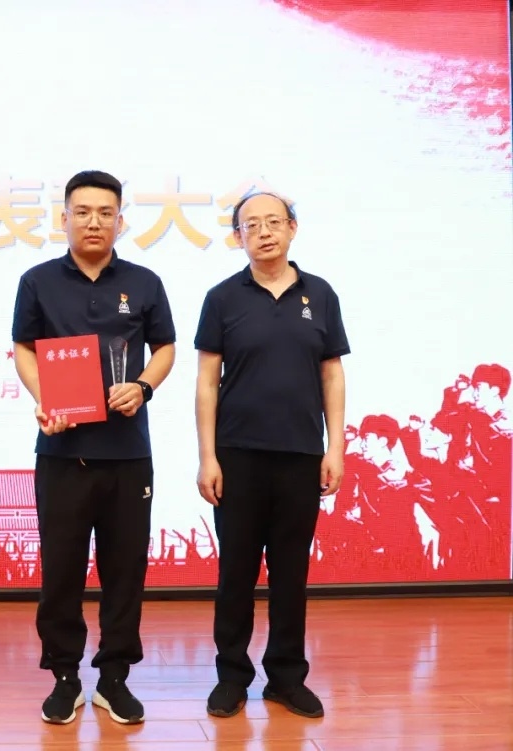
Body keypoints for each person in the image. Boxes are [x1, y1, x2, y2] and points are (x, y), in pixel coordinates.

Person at [10, 170, 177, 725]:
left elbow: (165, 348)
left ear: (121, 221)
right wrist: (43, 398)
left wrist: (143, 386)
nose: (94, 222)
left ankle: (114, 678)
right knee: (61, 570)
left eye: (106, 212)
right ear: (64, 218)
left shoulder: (145, 282)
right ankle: (64, 676)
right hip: (62, 451)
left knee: (124, 570)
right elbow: (24, 348)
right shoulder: (37, 281)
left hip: (128, 453)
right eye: (82, 212)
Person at [194, 191, 349, 720]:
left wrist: (335, 447)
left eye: (273, 222)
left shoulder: (320, 294)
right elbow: (207, 382)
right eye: (251, 225)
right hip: (237, 456)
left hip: (301, 455)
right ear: (237, 236)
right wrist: (207, 456)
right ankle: (231, 677)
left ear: (292, 228)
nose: (263, 232)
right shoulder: (222, 298)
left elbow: (332, 373)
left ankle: (285, 677)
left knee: (290, 573)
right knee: (235, 573)